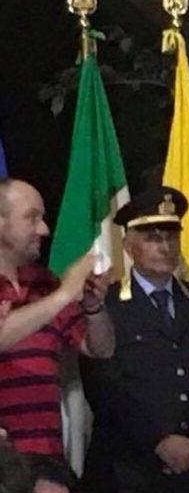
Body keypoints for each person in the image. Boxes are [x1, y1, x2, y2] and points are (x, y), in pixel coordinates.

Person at [80, 186, 189, 493]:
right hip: (128, 470)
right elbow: (102, 385)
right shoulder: (106, 305)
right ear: (128, 246)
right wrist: (159, 442)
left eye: (172, 237)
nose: (165, 247)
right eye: (153, 238)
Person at [0, 179, 113, 461]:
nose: (44, 229)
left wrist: (93, 307)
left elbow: (100, 349)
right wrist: (64, 295)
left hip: (47, 458)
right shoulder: (56, 294)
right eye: (31, 218)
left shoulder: (44, 282)